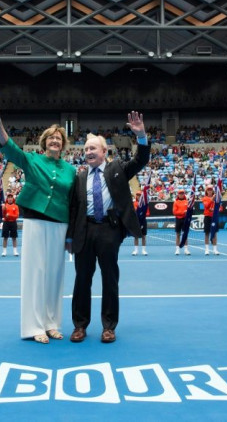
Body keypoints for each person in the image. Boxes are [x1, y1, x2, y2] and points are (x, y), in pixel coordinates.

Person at [0, 98, 76, 344]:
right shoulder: (32, 160)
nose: (55, 141)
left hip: (60, 224)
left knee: (55, 274)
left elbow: (74, 202)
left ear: (63, 145)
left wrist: (72, 234)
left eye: (59, 139)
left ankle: (52, 322)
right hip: (35, 222)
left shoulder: (71, 170)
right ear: (44, 142)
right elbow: (8, 147)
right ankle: (35, 326)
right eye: (51, 138)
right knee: (35, 272)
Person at [66, 113, 150, 344]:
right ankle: (80, 326)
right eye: (86, 149)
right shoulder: (79, 177)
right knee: (82, 279)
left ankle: (109, 327)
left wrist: (140, 135)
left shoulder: (117, 169)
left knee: (109, 279)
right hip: (85, 231)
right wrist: (70, 237)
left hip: (109, 231)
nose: (89, 152)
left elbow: (141, 160)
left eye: (93, 148)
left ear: (104, 152)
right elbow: (74, 209)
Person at [202, 186, 219, 255]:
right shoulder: (204, 198)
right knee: (207, 233)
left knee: (214, 233)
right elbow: (206, 206)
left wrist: (215, 210)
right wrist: (212, 199)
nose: (209, 191)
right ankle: (207, 250)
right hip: (207, 217)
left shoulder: (217, 199)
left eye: (211, 190)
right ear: (206, 191)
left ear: (212, 191)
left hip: (214, 217)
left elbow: (220, 208)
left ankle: (215, 249)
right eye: (208, 190)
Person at [172, 189, 191, 255]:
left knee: (185, 235)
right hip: (178, 220)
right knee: (178, 234)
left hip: (185, 220)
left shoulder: (187, 201)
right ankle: (177, 250)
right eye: (180, 193)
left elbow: (189, 211)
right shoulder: (176, 202)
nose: (181, 194)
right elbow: (175, 212)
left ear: (184, 194)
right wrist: (183, 212)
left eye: (182, 193)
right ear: (178, 194)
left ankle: (186, 249)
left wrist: (186, 213)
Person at [132, 190, 148, 256]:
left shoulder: (144, 204)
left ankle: (144, 250)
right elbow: (132, 212)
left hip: (143, 221)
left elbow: (147, 213)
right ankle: (135, 250)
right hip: (136, 221)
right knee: (136, 236)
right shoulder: (134, 203)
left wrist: (142, 214)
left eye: (140, 195)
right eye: (137, 195)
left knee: (143, 236)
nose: (138, 196)